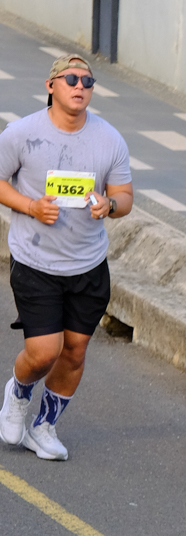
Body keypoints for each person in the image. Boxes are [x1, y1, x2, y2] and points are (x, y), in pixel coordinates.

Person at [0, 54, 132, 459]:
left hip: (88, 265)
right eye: (71, 79)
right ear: (51, 86)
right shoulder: (22, 133)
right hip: (36, 262)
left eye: (87, 81)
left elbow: (125, 197)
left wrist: (109, 205)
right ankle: (18, 392)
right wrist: (30, 206)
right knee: (45, 351)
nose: (80, 86)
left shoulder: (109, 139)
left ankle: (44, 427)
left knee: (74, 350)